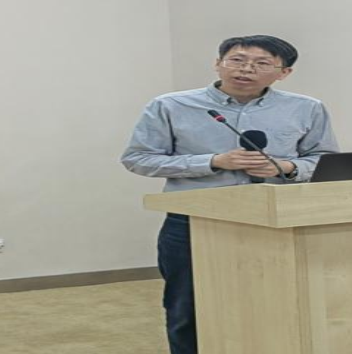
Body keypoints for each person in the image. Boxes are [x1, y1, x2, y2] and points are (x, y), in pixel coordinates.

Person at [121, 35, 339, 354]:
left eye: (262, 63)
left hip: (276, 220)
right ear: (218, 63)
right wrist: (212, 162)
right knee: (187, 308)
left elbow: (324, 158)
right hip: (193, 221)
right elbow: (138, 158)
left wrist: (288, 167)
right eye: (237, 60)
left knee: (274, 303)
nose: (246, 69)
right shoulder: (170, 105)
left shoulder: (306, 108)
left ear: (284, 72)